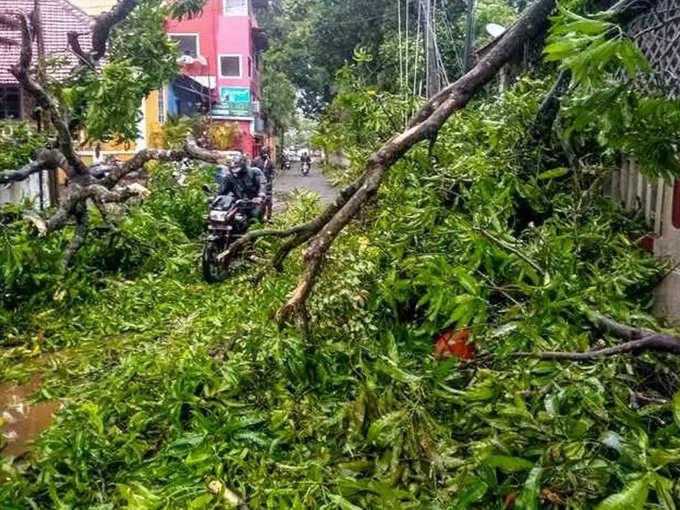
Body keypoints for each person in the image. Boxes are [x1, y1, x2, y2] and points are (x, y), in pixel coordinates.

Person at [217, 155, 267, 222]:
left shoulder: (254, 172)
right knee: (223, 215)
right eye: (233, 167)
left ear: (243, 165)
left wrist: (260, 196)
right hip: (238, 203)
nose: (235, 169)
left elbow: (262, 184)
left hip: (253, 203)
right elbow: (222, 191)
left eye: (237, 167)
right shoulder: (229, 177)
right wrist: (216, 198)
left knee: (254, 216)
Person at [252, 146, 275, 221]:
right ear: (260, 152)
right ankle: (258, 217)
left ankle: (269, 217)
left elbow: (272, 172)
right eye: (263, 152)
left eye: (266, 152)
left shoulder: (270, 162)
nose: (264, 154)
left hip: (267, 185)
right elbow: (251, 172)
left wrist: (270, 180)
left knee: (269, 202)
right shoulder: (255, 161)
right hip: (257, 185)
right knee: (258, 202)